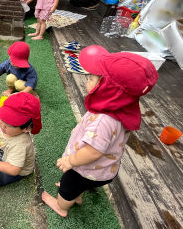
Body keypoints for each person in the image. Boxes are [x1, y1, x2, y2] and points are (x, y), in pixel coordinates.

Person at [41, 45, 158, 217]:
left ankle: (62, 207)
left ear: (108, 88)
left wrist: (71, 161)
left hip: (85, 169)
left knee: (68, 185)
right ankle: (78, 194)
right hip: (104, 170)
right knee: (79, 186)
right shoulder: (124, 108)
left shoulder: (103, 120)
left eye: (91, 79)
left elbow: (93, 152)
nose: (86, 81)